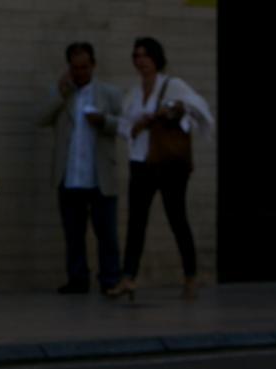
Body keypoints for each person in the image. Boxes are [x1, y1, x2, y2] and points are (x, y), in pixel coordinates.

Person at [107, 37, 214, 300]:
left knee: (177, 217)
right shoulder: (133, 92)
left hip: (168, 164)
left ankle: (191, 276)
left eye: (144, 55)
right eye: (136, 55)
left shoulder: (172, 85)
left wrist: (171, 112)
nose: (140, 60)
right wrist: (134, 125)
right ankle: (129, 277)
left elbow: (197, 109)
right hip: (141, 161)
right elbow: (125, 125)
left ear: (156, 57)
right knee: (136, 221)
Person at [39, 42, 123, 294]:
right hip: (70, 176)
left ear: (93, 65)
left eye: (85, 67)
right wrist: (62, 94)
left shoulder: (109, 93)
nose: (80, 72)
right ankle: (78, 279)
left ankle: (110, 279)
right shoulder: (64, 93)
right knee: (73, 234)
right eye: (75, 68)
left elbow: (124, 125)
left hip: (100, 177)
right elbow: (40, 118)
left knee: (106, 233)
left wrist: (104, 121)